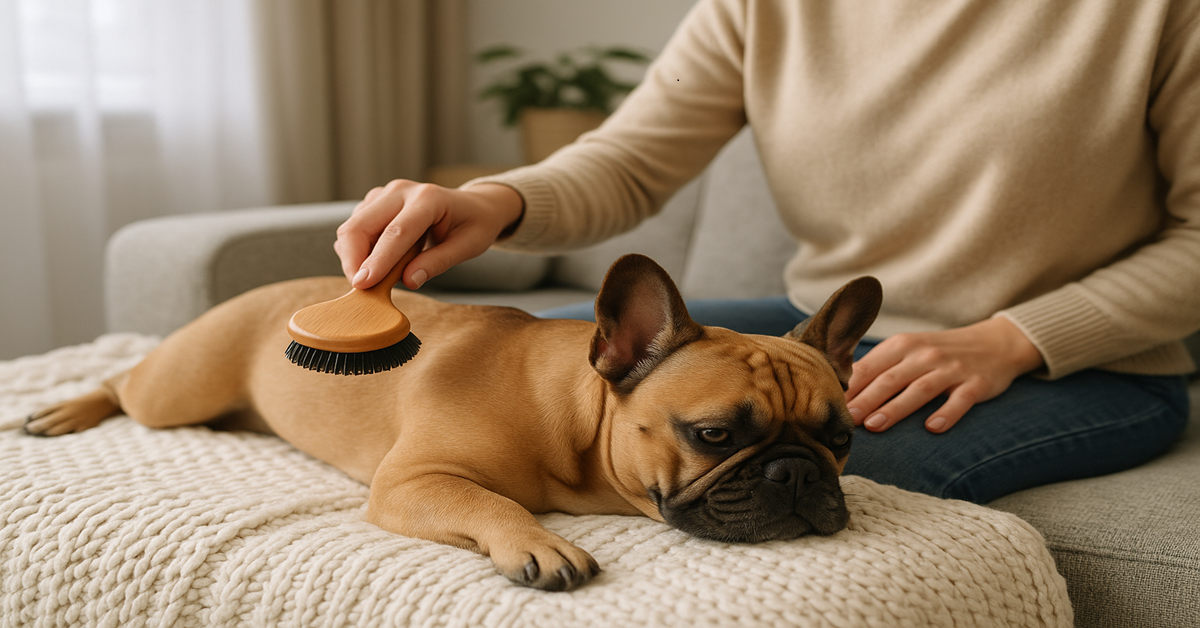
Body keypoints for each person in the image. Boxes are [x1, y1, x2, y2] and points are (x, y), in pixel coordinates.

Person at [332, 0, 1200, 504]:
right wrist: (496, 200)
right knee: (528, 372)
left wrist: (1011, 337)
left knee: (797, 484)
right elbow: (631, 161)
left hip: (1078, 361)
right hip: (822, 340)